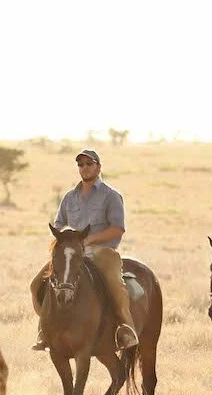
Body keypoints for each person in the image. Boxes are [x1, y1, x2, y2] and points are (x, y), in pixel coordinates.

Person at [33, 148, 137, 350]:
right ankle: (45, 330)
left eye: (89, 164)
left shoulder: (111, 196)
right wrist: (69, 239)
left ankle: (125, 329)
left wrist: (88, 240)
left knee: (115, 284)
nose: (85, 168)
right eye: (81, 164)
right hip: (72, 252)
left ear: (98, 167)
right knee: (36, 284)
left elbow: (117, 228)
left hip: (102, 251)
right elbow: (60, 224)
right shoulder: (69, 197)